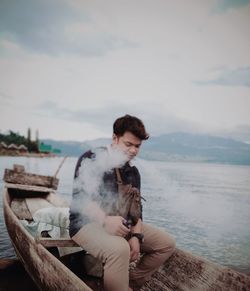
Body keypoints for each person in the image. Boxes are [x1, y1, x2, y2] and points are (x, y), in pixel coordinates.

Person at [69, 114, 176, 291]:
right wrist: (105, 220)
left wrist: (136, 236)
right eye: (129, 144)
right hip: (85, 224)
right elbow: (81, 199)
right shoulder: (91, 159)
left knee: (166, 244)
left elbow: (136, 212)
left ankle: (129, 284)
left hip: (122, 226)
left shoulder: (133, 172)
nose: (133, 150)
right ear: (115, 138)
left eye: (137, 146)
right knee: (119, 249)